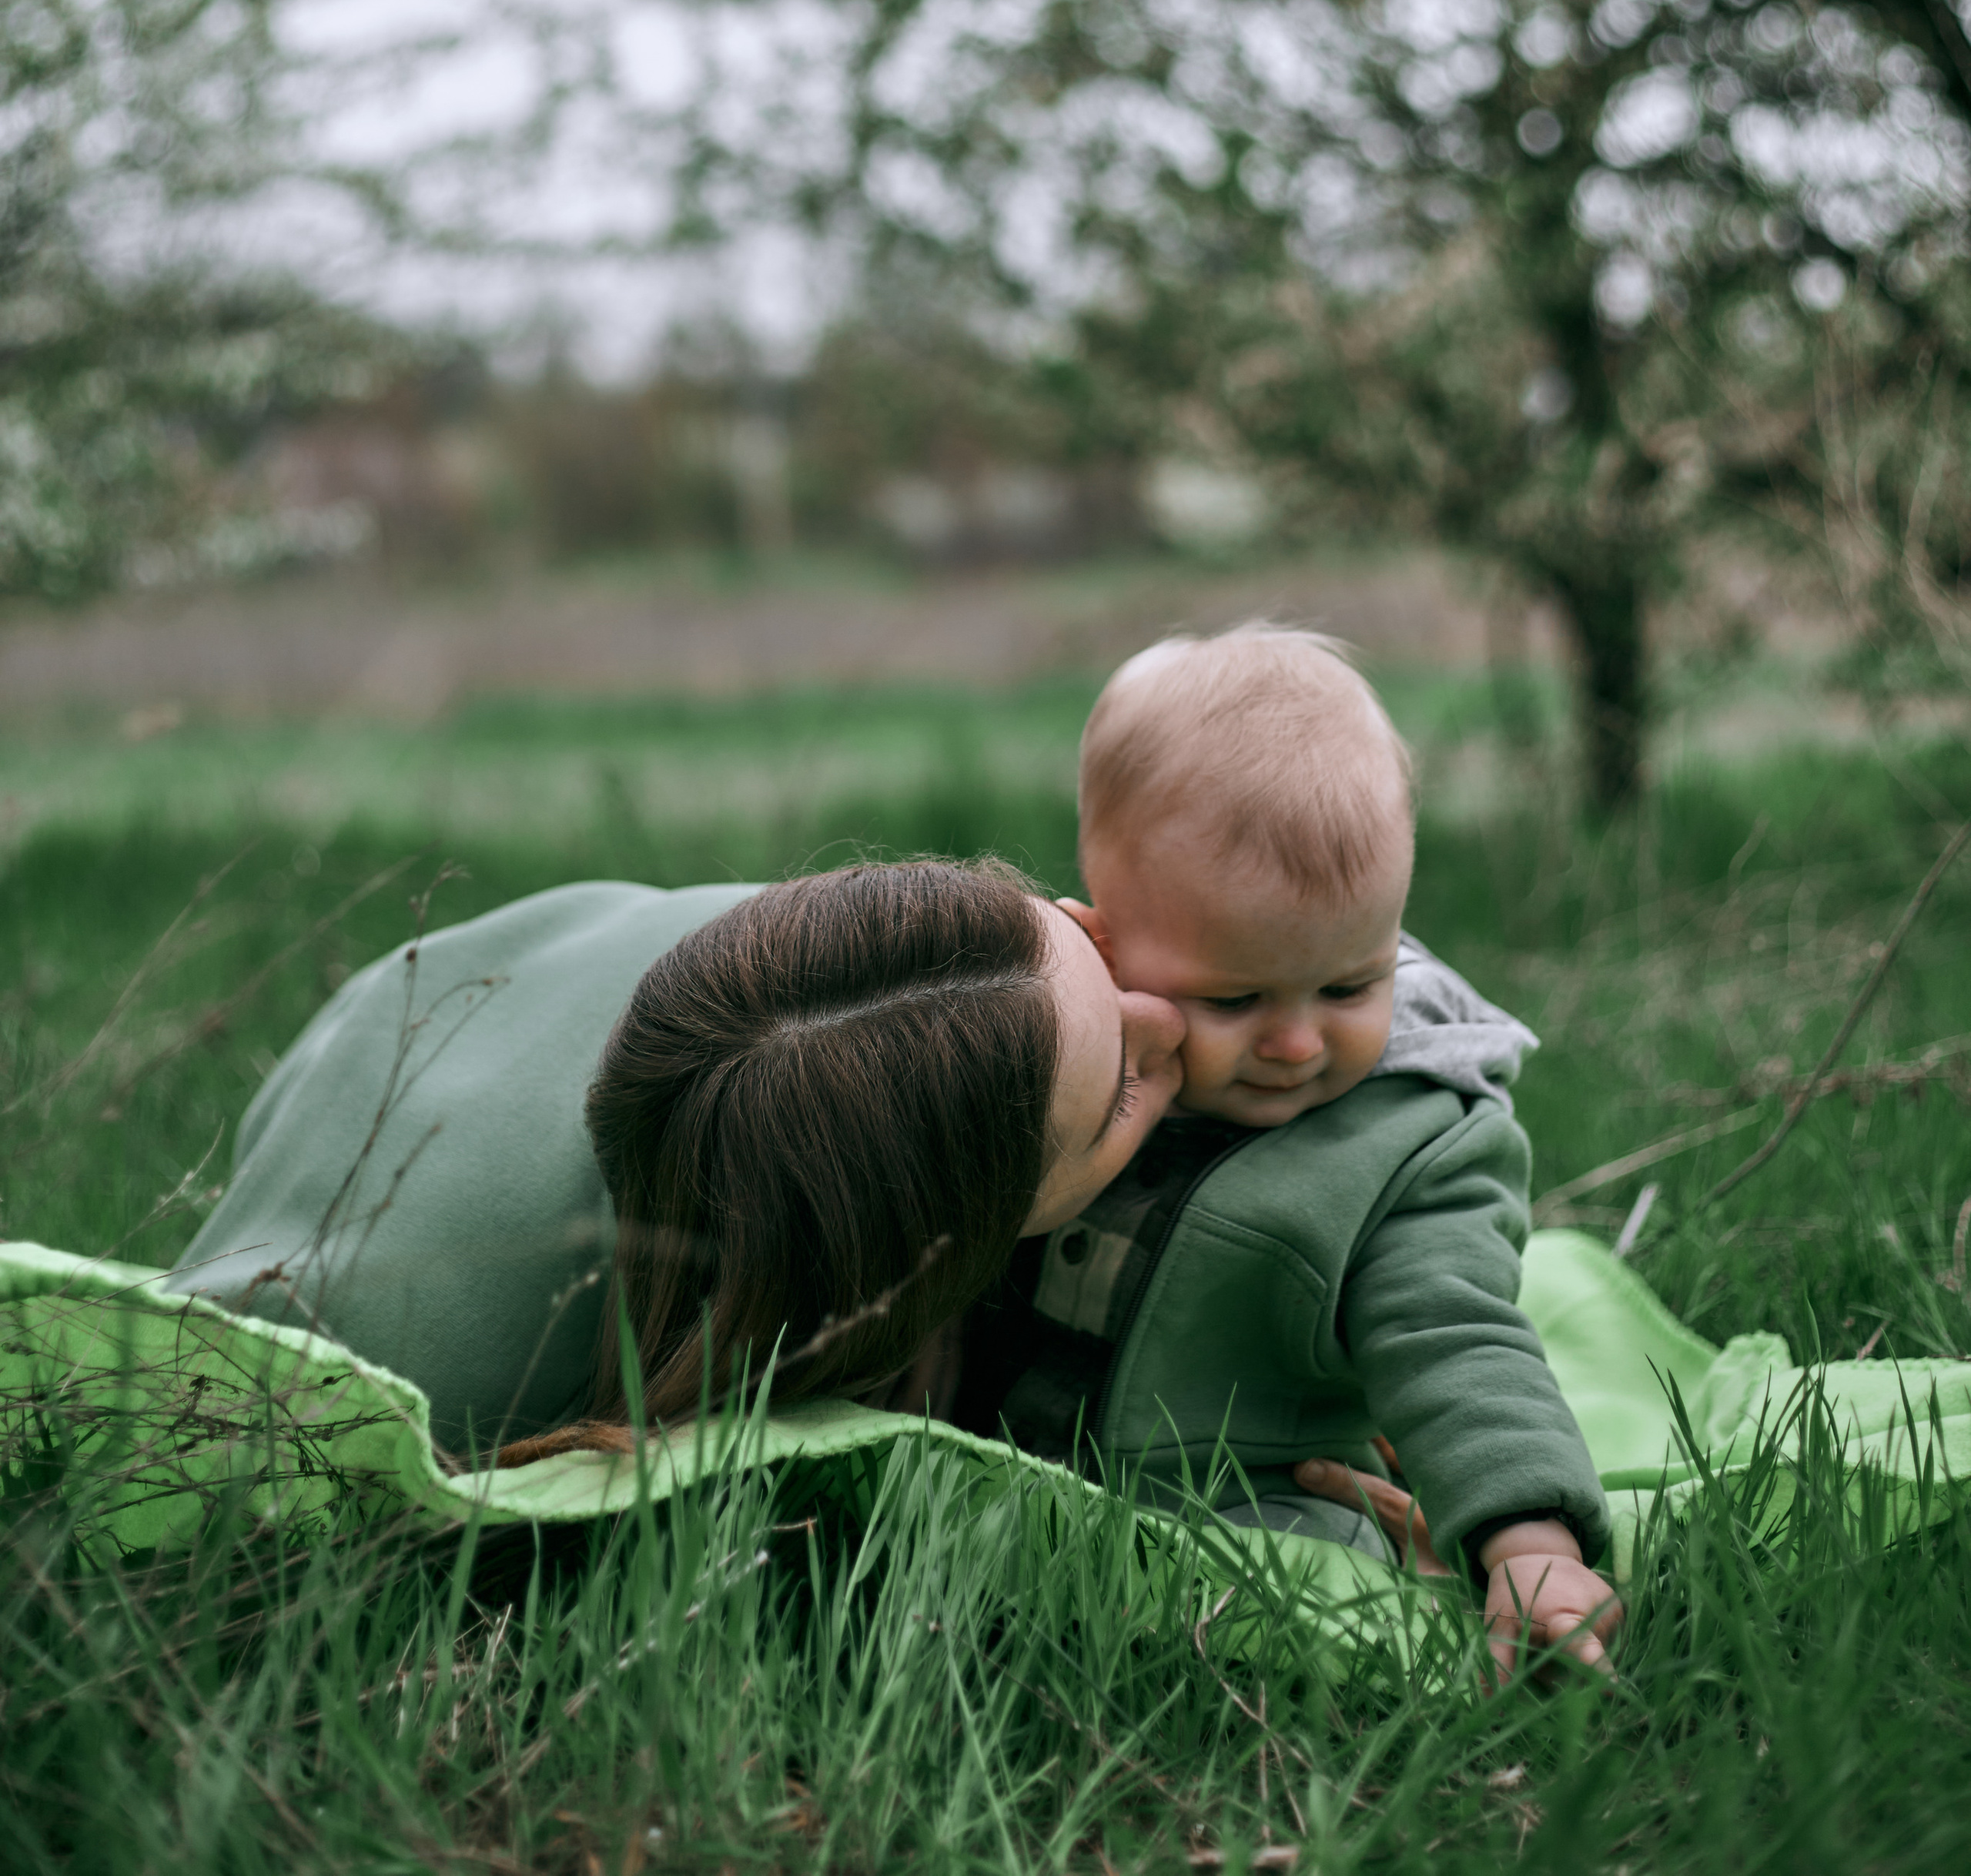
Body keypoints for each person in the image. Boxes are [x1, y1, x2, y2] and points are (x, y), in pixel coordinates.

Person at [950, 624, 1623, 1679]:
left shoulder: (1411, 1145)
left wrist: (1529, 1543)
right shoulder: (1059, 1059)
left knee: (1320, 1601)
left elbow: (1457, 1338)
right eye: (1235, 999)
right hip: (995, 1452)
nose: (1299, 1041)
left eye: (1352, 985)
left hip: (1249, 1495)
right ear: (1104, 942)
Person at [166, 858, 1184, 1460]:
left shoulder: (878, 981)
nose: (1170, 1020)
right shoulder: (419, 1393)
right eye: (1121, 1100)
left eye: (1085, 941)